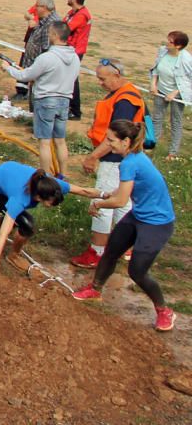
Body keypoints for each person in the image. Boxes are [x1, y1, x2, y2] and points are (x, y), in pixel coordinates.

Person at [72, 121, 177, 332]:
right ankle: (95, 290)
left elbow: (120, 201)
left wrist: (99, 203)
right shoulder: (133, 158)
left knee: (137, 271)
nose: (108, 144)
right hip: (139, 215)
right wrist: (104, 194)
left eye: (111, 140)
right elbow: (125, 191)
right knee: (110, 252)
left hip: (157, 223)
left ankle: (164, 311)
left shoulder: (131, 162)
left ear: (126, 141)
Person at [70, 58, 146, 269]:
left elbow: (115, 135)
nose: (100, 83)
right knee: (124, 202)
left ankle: (97, 251)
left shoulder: (124, 101)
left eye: (103, 79)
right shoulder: (124, 93)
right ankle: (126, 247)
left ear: (117, 75)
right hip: (123, 158)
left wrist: (93, 156)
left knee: (103, 200)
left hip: (114, 159)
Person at [0, 161, 95, 275]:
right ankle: (13, 256)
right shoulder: (20, 198)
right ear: (38, 197)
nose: (53, 206)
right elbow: (3, 234)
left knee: (15, 220)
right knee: (26, 225)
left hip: (7, 175)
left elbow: (83, 191)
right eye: (51, 203)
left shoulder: (50, 185)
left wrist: (106, 196)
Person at [2, 22, 79, 177]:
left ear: (56, 36)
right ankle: (64, 174)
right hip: (64, 101)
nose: (48, 36)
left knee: (44, 142)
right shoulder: (75, 58)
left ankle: (46, 176)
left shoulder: (47, 58)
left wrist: (7, 68)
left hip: (46, 101)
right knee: (60, 140)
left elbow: (25, 75)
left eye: (50, 33)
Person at [150, 30, 192, 161]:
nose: (167, 43)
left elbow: (189, 80)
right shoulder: (163, 51)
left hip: (177, 95)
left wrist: (175, 92)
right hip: (161, 90)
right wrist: (153, 84)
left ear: (178, 46)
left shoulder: (186, 59)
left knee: (175, 121)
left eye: (170, 41)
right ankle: (152, 145)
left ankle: (172, 153)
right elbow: (156, 68)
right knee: (156, 118)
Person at [15, 0, 53, 99]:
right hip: (31, 38)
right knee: (25, 61)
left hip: (37, 40)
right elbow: (27, 14)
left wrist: (33, 19)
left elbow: (31, 19)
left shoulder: (46, 3)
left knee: (30, 63)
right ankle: (23, 89)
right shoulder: (40, 2)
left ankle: (24, 91)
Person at [63, 0, 91, 120]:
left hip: (75, 50)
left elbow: (65, 28)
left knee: (72, 79)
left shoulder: (81, 15)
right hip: (69, 48)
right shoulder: (72, 12)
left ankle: (75, 110)